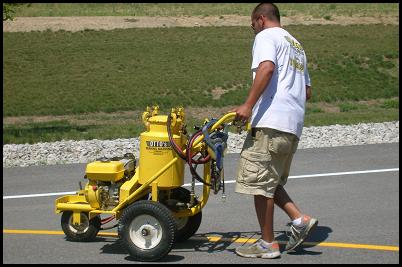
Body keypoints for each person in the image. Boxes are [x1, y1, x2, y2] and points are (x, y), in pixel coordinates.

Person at [232, 3, 317, 259]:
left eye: (252, 25)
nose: (253, 29)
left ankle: (268, 244)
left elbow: (267, 68)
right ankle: (299, 219)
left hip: (270, 123)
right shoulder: (296, 45)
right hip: (292, 126)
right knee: (270, 180)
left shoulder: (266, 37)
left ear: (260, 19)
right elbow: (307, 92)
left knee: (259, 184)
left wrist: (248, 105)